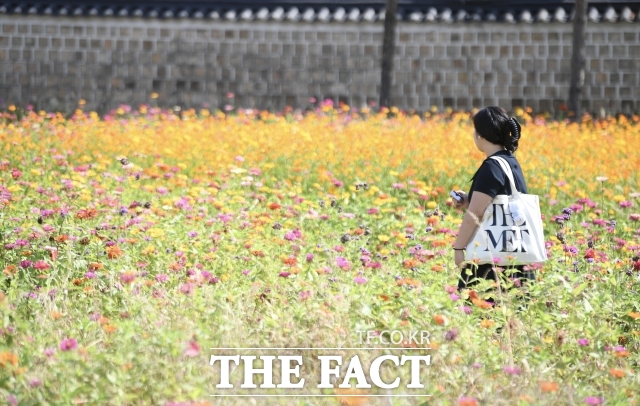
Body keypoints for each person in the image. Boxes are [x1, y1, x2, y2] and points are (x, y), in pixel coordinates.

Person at [451, 106, 535, 299]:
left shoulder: (491, 166)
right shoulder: (509, 161)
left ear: (480, 135)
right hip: (514, 254)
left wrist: (459, 248)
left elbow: (476, 214)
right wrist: (468, 201)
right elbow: (497, 202)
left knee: (481, 315)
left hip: (490, 260)